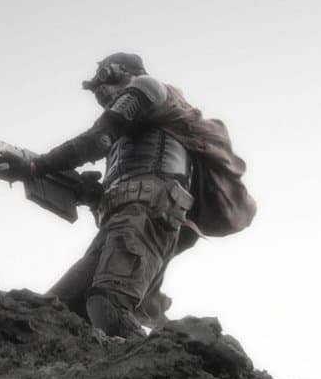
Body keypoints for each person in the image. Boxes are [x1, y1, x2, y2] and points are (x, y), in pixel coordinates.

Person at [31, 53, 256, 339]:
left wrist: (36, 166)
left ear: (125, 72)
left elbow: (98, 139)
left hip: (148, 214)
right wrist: (93, 195)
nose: (101, 94)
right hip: (121, 221)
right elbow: (125, 175)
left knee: (109, 305)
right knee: (53, 312)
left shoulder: (147, 87)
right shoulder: (129, 135)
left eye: (104, 81)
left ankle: (157, 360)